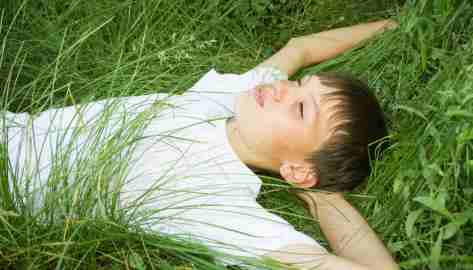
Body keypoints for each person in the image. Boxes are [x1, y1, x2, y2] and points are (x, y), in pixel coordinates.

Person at [1, 19, 398, 269]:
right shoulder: (228, 98)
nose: (281, 89)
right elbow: (300, 48)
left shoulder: (215, 203)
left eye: (300, 110)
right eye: (296, 85)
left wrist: (320, 194)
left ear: (297, 170)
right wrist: (395, 24)